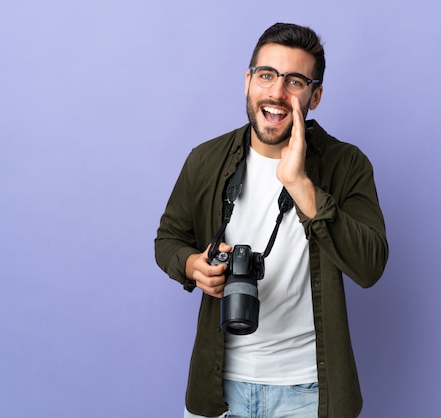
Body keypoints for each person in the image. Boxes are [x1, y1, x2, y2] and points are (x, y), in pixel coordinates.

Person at [155, 22, 388, 418]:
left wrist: (300, 184)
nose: (277, 93)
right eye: (266, 75)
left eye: (295, 81)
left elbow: (370, 267)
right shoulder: (205, 160)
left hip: (309, 392)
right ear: (248, 81)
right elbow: (168, 239)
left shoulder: (347, 165)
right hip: (218, 391)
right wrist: (192, 266)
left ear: (315, 96)